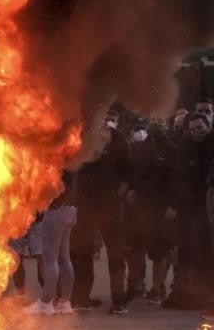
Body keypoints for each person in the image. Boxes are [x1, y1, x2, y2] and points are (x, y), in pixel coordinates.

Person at [70, 110, 134, 314]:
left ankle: (119, 300)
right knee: (83, 252)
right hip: (84, 206)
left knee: (115, 253)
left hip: (111, 206)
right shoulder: (80, 135)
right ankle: (81, 298)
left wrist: (118, 195)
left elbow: (129, 173)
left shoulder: (117, 139)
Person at [127, 119, 179, 304]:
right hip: (139, 206)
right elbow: (131, 171)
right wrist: (130, 189)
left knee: (159, 251)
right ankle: (136, 284)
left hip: (161, 208)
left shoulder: (171, 149)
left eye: (159, 122)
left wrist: (173, 205)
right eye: (153, 121)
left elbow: (176, 180)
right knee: (135, 247)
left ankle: (157, 288)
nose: (155, 125)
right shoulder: (139, 148)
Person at [165, 111, 214, 309]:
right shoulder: (185, 146)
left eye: (200, 128)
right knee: (184, 250)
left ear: (208, 127)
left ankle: (204, 296)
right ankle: (183, 293)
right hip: (188, 207)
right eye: (193, 129)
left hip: (207, 207)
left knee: (203, 254)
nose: (197, 133)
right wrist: (175, 205)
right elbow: (180, 179)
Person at [25, 171, 79, 315]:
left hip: (56, 211)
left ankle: (46, 302)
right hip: (71, 210)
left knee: (50, 258)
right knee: (64, 257)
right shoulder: (72, 162)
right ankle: (65, 302)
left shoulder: (58, 162)